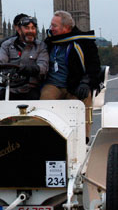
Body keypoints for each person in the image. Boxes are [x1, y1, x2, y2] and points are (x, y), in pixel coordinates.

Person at [41, 10, 102, 138]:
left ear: (66, 28)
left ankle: (82, 138)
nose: (51, 28)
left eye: (54, 26)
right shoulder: (50, 42)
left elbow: (94, 65)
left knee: (82, 102)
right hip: (53, 83)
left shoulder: (84, 42)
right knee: (44, 102)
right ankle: (47, 136)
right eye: (51, 25)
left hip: (76, 84)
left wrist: (86, 82)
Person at [0, 15, 48, 100]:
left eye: (33, 28)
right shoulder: (7, 45)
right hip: (10, 87)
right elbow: (1, 58)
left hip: (31, 89)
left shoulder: (41, 46)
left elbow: (43, 66)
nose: (30, 31)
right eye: (27, 28)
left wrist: (32, 69)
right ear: (19, 30)